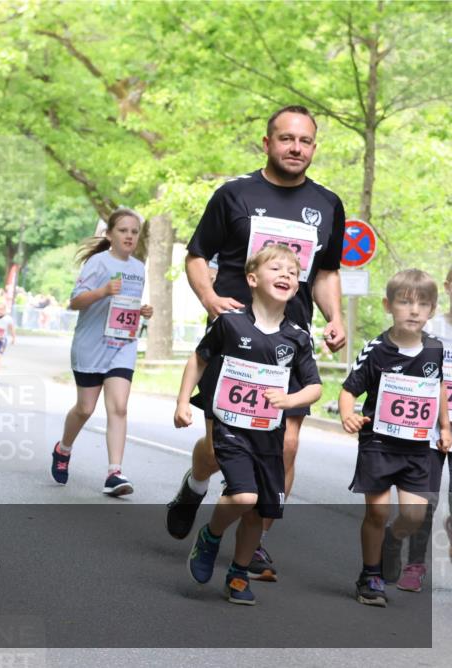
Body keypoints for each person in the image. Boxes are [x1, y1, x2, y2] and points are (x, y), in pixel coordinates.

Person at [166, 105, 347, 582]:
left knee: (285, 446)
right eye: (286, 139)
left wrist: (335, 317)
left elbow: (327, 271)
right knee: (216, 449)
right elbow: (197, 255)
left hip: (288, 344)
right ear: (267, 143)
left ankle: (254, 540)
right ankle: (195, 485)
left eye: (305, 141)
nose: (296, 148)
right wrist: (209, 298)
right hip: (235, 338)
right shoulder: (235, 194)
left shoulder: (328, 204)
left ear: (314, 147)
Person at [176, 245, 322, 605]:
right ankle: (211, 536)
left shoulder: (297, 337)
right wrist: (182, 402)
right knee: (244, 496)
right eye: (277, 268)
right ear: (252, 279)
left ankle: (238, 574)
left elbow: (315, 387)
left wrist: (290, 400)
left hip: (269, 433)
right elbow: (199, 359)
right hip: (230, 426)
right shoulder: (230, 322)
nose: (286, 275)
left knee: (258, 511)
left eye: (293, 272)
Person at [340, 269, 451, 607]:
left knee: (415, 515)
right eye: (405, 303)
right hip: (378, 444)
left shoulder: (434, 349)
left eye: (422, 304)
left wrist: (445, 427)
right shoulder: (376, 349)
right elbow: (349, 389)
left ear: (432, 310)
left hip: (418, 447)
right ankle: (370, 575)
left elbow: (438, 388)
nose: (414, 311)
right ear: (388, 306)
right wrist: (347, 414)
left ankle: (393, 539)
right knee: (377, 512)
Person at [50, 208, 154, 496]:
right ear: (109, 235)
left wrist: (142, 311)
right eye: (123, 230)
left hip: (122, 345)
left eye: (134, 231)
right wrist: (103, 291)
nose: (129, 236)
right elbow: (75, 302)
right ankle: (63, 449)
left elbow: (126, 305)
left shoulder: (139, 267)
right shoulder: (98, 263)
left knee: (119, 407)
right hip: (91, 344)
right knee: (85, 408)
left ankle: (114, 473)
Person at [393, 265, 452, 591]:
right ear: (448, 286)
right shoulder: (431, 329)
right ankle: (415, 564)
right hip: (428, 426)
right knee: (425, 501)